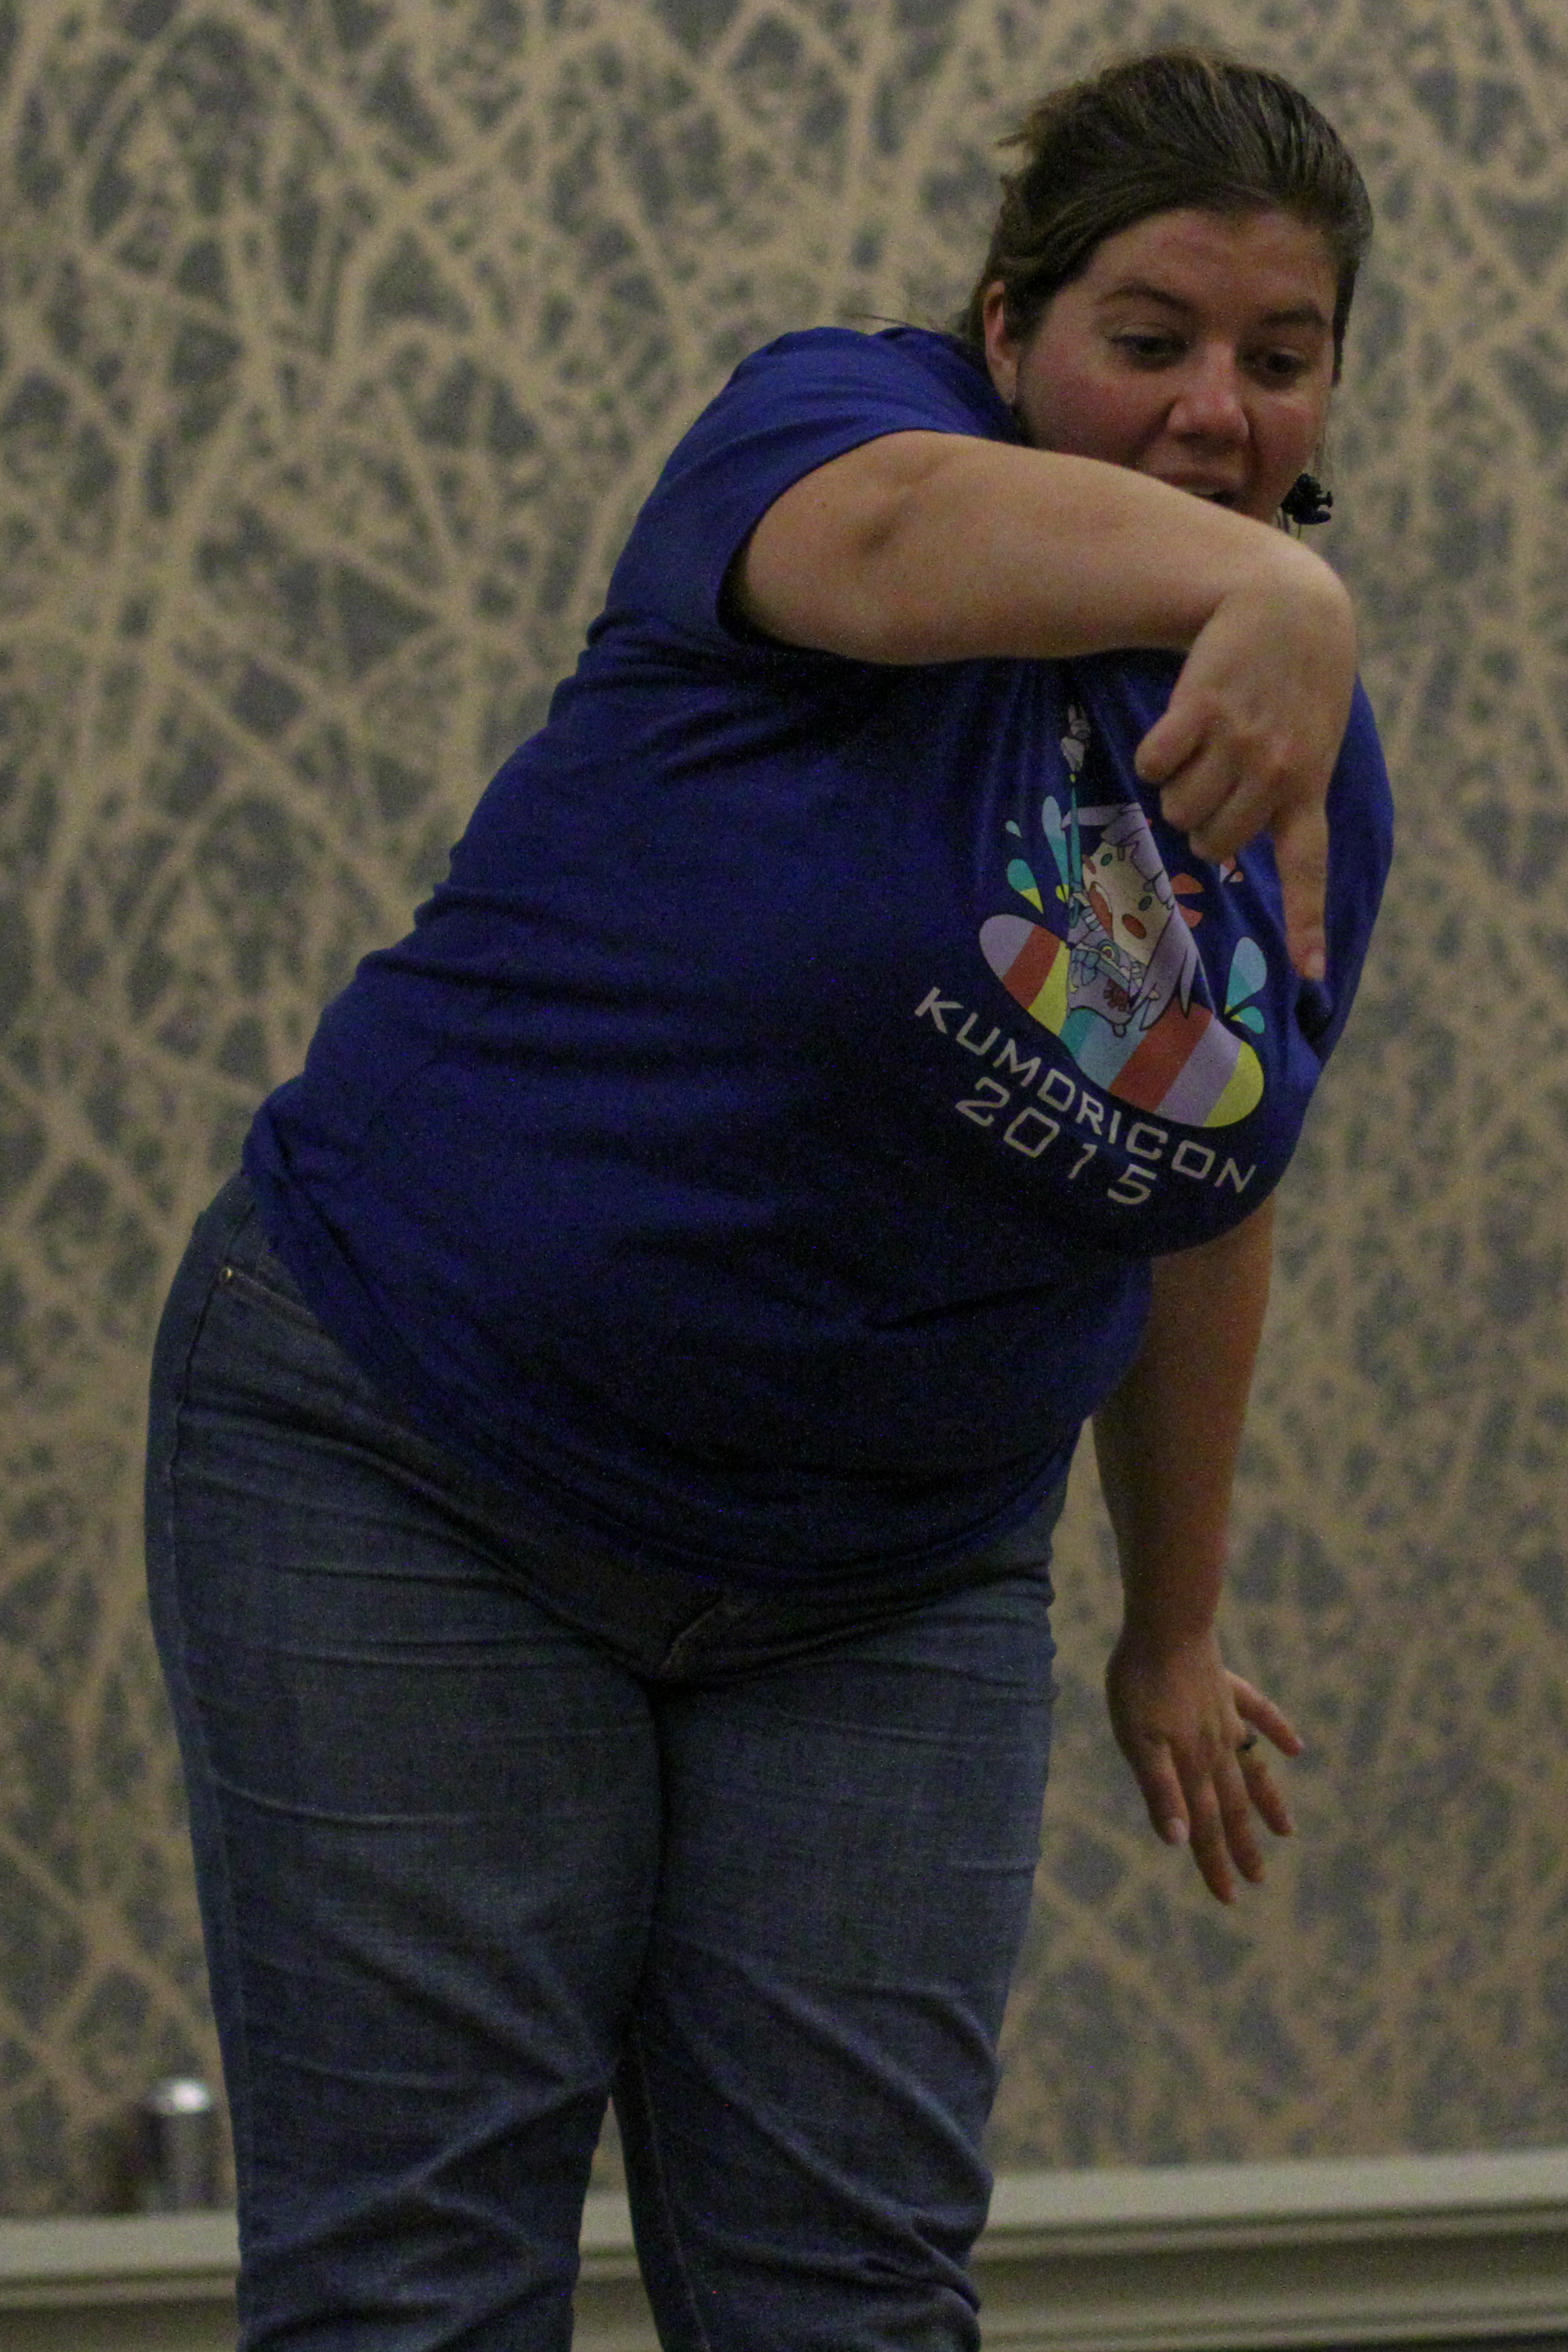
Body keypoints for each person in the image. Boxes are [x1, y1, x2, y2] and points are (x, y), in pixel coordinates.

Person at [145, 46, 1391, 2352]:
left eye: (1280, 358)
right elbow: (903, 545)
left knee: (853, 2303)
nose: (1217, 409)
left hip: (888, 1577)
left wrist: (1175, 1617)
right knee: (415, 2287)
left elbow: (1208, 1169)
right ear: (1007, 329)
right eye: (1149, 338)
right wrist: (1279, 583)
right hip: (417, 1452)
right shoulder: (830, 427)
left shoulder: (1294, 750)